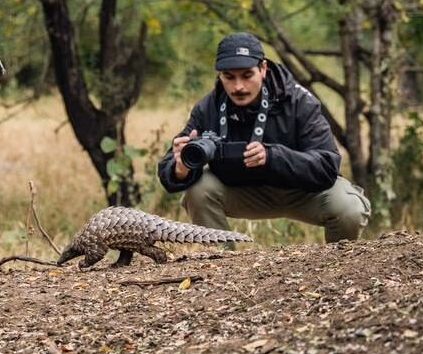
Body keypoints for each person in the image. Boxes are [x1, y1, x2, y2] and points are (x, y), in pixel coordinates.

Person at [157, 32, 371, 243]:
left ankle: (339, 266)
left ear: (263, 69)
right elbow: (169, 167)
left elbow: (327, 166)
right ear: (220, 75)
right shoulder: (208, 107)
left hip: (303, 191)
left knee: (349, 208)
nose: (238, 86)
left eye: (247, 75)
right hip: (242, 192)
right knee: (197, 190)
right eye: (229, 77)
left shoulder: (299, 101)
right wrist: (180, 168)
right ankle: (220, 266)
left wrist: (272, 156)